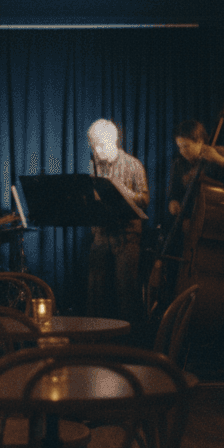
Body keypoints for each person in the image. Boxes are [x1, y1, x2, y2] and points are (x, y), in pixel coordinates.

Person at [85, 118, 149, 329]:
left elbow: (145, 200)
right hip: (102, 233)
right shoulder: (93, 165)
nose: (97, 150)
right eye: (94, 145)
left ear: (114, 141)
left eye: (101, 145)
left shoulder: (133, 164)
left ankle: (129, 342)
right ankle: (95, 338)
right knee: (96, 290)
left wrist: (125, 193)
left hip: (127, 234)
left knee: (126, 290)